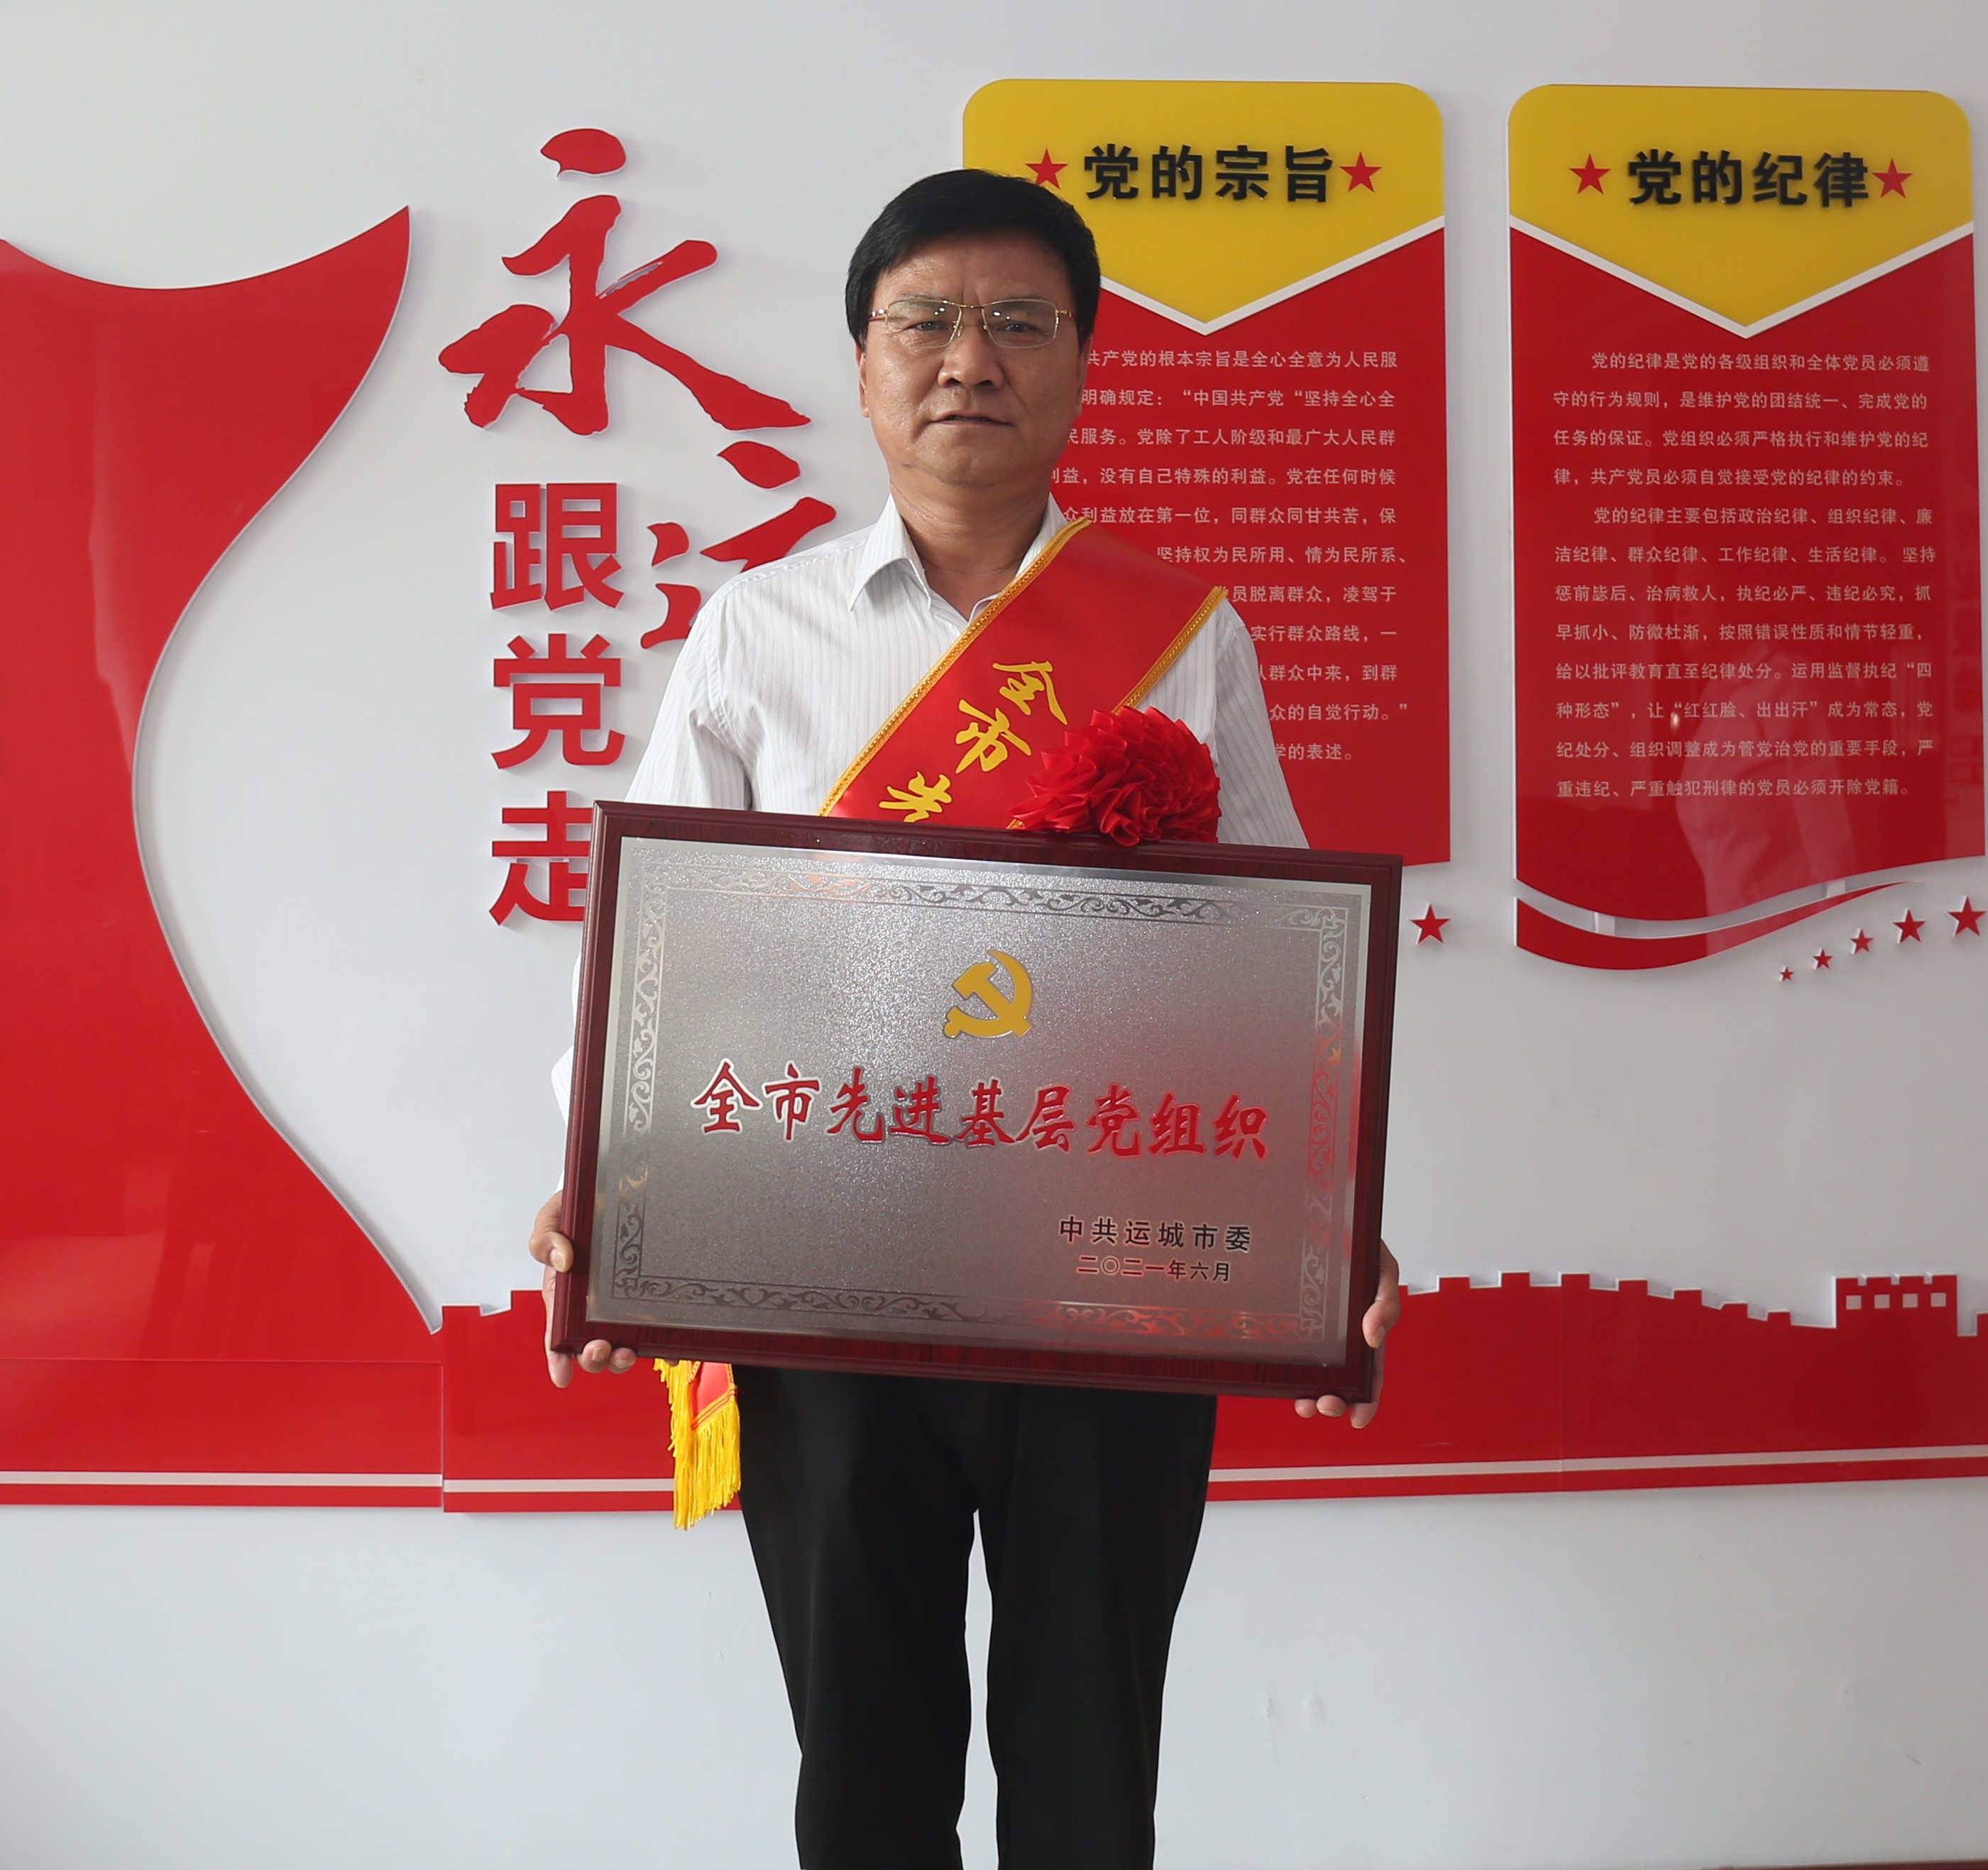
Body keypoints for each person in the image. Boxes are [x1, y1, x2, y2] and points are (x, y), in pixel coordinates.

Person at [528, 167, 1402, 1870]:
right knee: (863, 1759)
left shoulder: (1185, 638)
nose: (968, 360)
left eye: (1017, 323)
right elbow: (646, 948)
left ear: (1081, 362)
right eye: (923, 321)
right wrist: (602, 1181)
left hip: (1113, 1270)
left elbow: (1276, 957)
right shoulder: (757, 632)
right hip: (821, 1265)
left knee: (1089, 1766)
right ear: (863, 364)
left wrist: (1329, 1213)